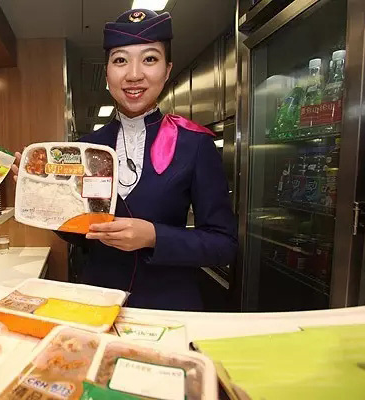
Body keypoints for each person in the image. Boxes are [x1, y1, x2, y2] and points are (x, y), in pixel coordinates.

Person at [12, 9, 237, 311]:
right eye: (120, 60)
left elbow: (223, 244)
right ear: (107, 73)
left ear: (167, 70)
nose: (133, 74)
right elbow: (83, 235)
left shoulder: (194, 144)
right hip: (99, 303)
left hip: (168, 306)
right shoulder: (87, 148)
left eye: (150, 59)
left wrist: (155, 237)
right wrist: (45, 200)